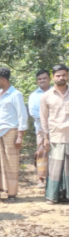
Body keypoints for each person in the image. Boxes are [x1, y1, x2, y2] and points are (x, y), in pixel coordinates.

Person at [0, 68, 28, 202]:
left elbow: (22, 115)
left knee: (11, 164)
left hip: (11, 132)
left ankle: (12, 194)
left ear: (4, 80)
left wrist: (20, 136)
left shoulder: (16, 94)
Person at [40, 64, 69, 204]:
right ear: (53, 77)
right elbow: (43, 119)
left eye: (63, 75)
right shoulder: (46, 96)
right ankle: (52, 197)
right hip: (55, 136)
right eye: (58, 75)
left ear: (67, 76)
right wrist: (45, 137)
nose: (61, 77)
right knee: (55, 168)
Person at [29, 70, 51, 188]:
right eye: (40, 79)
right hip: (41, 129)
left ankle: (55, 178)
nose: (42, 80)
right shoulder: (34, 95)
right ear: (37, 81)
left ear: (49, 79)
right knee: (42, 152)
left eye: (44, 78)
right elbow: (33, 112)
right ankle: (41, 179)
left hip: (59, 129)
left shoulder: (56, 92)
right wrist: (47, 121)